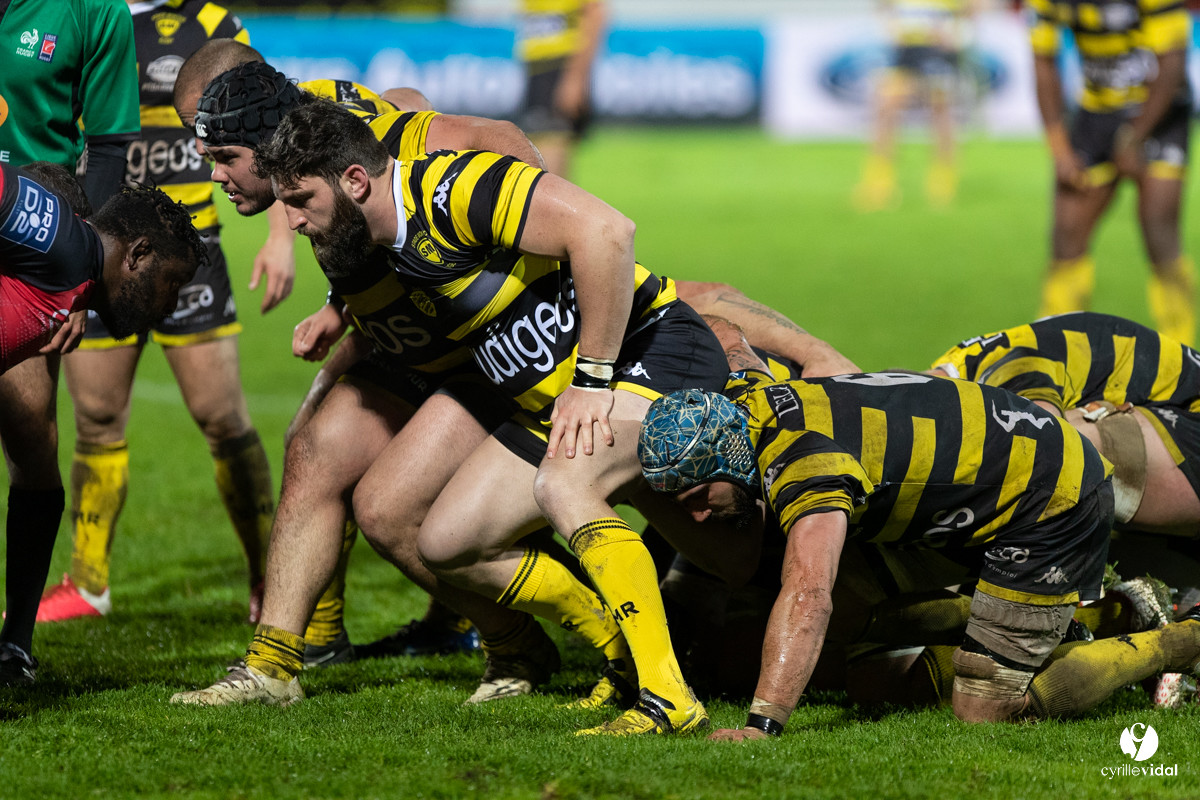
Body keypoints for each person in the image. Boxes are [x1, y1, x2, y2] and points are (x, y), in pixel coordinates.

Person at [176, 98, 739, 738]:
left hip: (648, 350)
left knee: (566, 486)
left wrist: (593, 376)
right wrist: (339, 317)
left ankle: (669, 697)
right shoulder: (371, 242)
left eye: (302, 200)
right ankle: (617, 649)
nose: (294, 220)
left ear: (356, 181)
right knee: (445, 540)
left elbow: (608, 231)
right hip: (542, 400)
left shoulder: (452, 190)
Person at [168, 60, 572, 690]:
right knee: (314, 446)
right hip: (405, 342)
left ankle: (533, 641)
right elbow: (403, 101)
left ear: (268, 141)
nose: (212, 174)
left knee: (390, 508)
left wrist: (537, 242)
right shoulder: (307, 128)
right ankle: (275, 667)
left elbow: (484, 134)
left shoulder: (375, 141)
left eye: (222, 155)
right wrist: (341, 306)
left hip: (483, 357)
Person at [638, 375, 1200, 740]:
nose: (694, 518)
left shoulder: (807, 468)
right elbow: (731, 332)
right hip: (963, 496)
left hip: (1048, 497)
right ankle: (1091, 617)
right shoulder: (744, 397)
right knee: (852, 616)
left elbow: (809, 593)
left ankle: (1182, 640)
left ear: (731, 456)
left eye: (698, 498)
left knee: (986, 708)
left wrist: (762, 726)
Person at [34, 0, 292, 627]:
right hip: (105, 251)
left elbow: (277, 129)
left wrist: (281, 234)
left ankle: (270, 579)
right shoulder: (85, 17)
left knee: (224, 420)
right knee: (95, 417)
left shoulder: (211, 22)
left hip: (190, 253)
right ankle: (89, 582)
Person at [0, 0, 140, 685]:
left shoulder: (92, 10)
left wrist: (78, 278)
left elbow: (109, 146)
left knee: (32, 444)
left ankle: (15, 640)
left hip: (30, 244)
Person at [1028, 0, 1195, 344]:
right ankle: (1055, 355)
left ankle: (1182, 358)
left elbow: (1173, 63)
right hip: (1096, 115)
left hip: (1162, 113)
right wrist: (1059, 149)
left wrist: (1134, 138)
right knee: (1067, 234)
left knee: (1158, 228)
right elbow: (1043, 62)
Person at [854, 0, 976, 210]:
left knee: (940, 109)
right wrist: (891, 27)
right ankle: (880, 179)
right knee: (886, 106)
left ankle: (942, 178)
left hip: (939, 49)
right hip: (907, 49)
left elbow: (971, 10)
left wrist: (957, 34)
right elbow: (883, 7)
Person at [517, 0, 607, 178]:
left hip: (560, 69)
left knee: (548, 166)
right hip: (536, 69)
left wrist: (575, 78)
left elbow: (596, 14)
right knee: (534, 160)